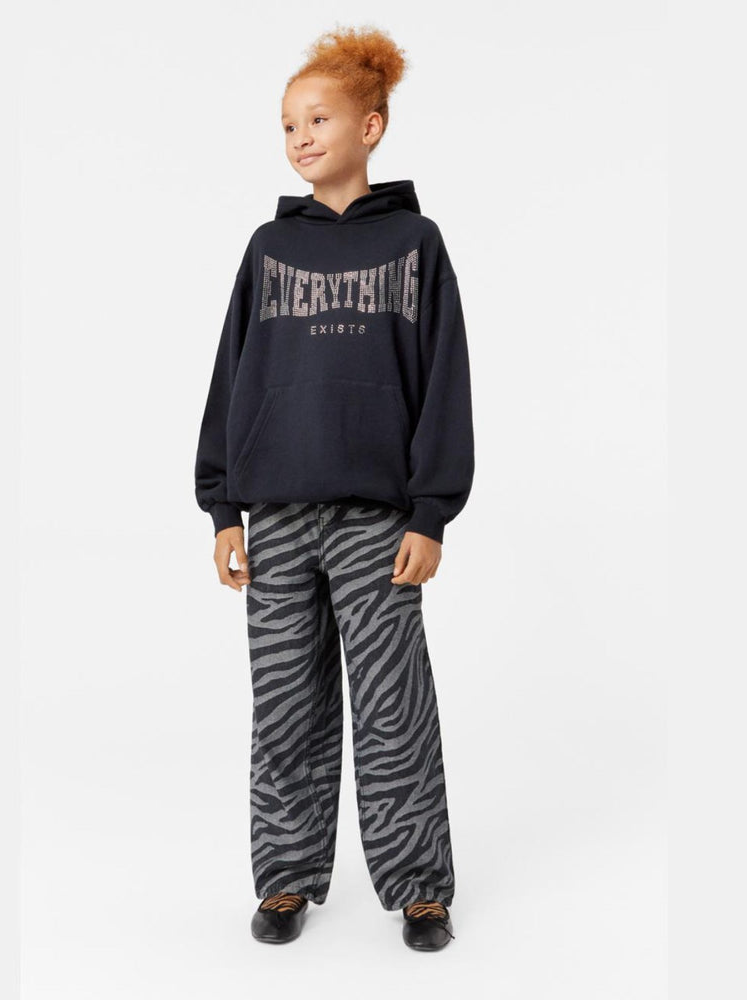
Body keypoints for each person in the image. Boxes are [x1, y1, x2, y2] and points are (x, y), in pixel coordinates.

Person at [193, 25, 474, 952]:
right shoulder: (270, 247)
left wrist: (431, 512)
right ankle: (285, 879)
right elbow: (233, 377)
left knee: (393, 708)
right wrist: (222, 505)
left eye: (318, 119)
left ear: (372, 126)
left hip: (377, 519)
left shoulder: (417, 243)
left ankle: (420, 887)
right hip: (275, 514)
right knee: (285, 707)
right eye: (288, 124)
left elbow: (443, 381)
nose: (301, 137)